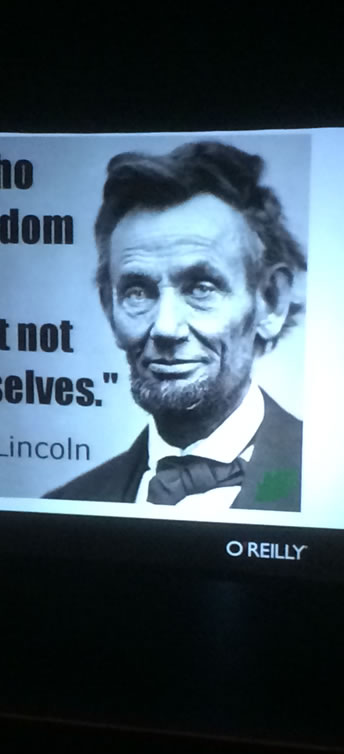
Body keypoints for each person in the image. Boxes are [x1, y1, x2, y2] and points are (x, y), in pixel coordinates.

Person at [46, 141, 305, 512]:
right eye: (137, 292)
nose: (166, 328)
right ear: (109, 306)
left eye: (202, 288)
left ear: (271, 301)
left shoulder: (330, 480)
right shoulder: (67, 505)